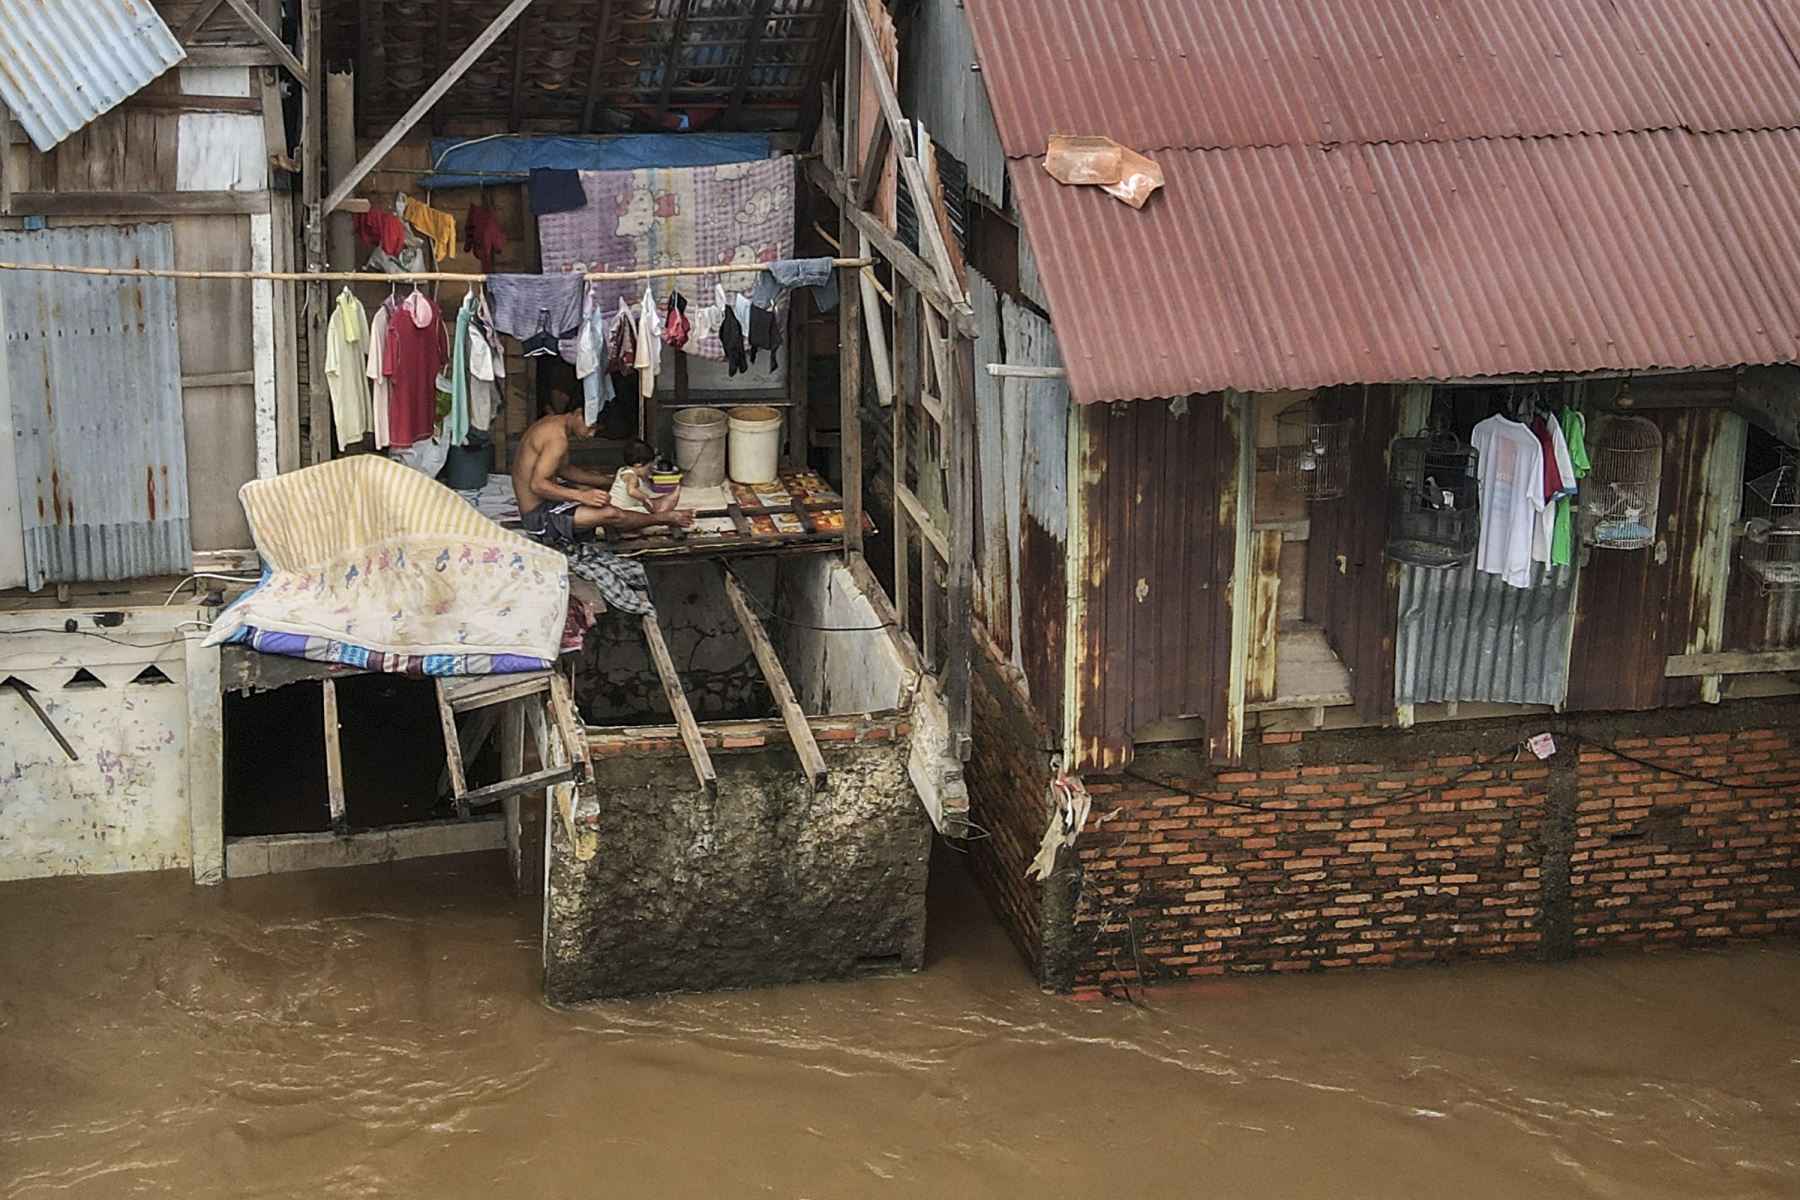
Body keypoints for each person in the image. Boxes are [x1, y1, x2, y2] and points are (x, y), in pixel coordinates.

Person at [511, 411, 694, 543]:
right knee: (610, 513)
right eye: (590, 427)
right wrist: (581, 497)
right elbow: (538, 485)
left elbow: (564, 470)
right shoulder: (557, 438)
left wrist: (608, 482)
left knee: (600, 492)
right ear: (579, 412)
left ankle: (653, 506)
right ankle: (662, 516)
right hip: (539, 516)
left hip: (549, 502)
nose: (591, 434)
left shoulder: (553, 423)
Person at [608, 439, 685, 516]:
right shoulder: (632, 477)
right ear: (638, 465)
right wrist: (645, 498)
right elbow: (631, 491)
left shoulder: (621, 470)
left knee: (645, 504)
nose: (648, 472)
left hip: (614, 507)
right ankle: (660, 511)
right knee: (643, 511)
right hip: (623, 510)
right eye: (648, 468)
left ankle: (661, 503)